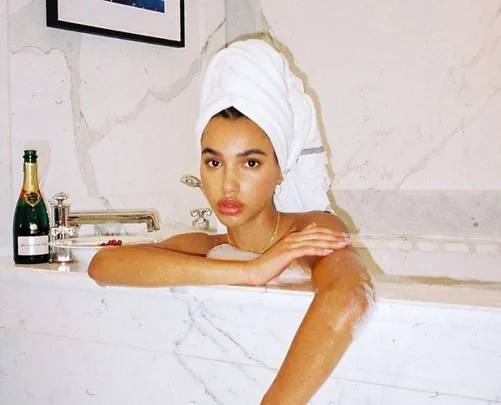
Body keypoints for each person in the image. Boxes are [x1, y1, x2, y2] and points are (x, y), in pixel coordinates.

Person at [89, 39, 375, 405]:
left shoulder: (309, 229)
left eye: (250, 163)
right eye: (214, 162)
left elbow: (351, 296)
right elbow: (103, 266)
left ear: (280, 171)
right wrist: (249, 271)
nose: (228, 184)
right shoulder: (208, 247)